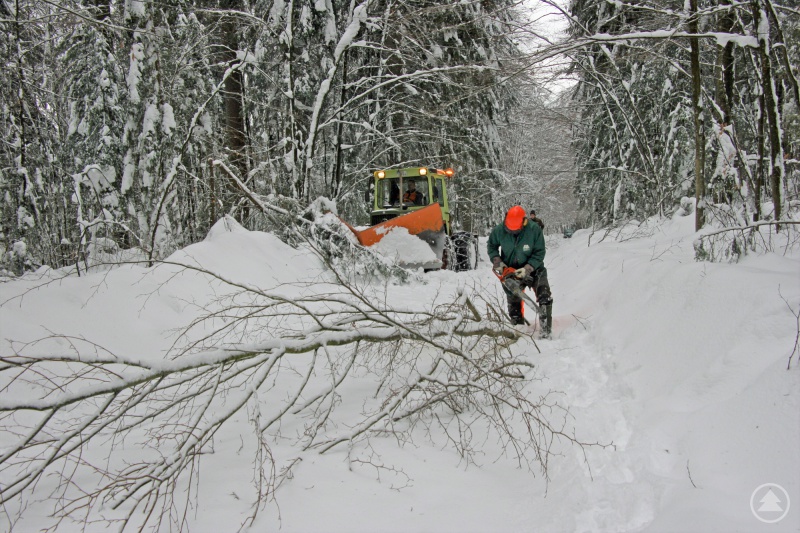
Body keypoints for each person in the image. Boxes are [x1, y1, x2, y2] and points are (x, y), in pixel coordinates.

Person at [487, 205, 553, 336]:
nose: (512, 233)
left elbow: (539, 252)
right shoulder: (499, 230)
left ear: (524, 222)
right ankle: (518, 330)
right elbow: (492, 246)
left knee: (544, 293)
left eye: (515, 231)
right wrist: (499, 264)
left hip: (535, 268)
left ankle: (546, 330)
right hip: (511, 270)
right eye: (510, 230)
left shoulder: (534, 230)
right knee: (514, 299)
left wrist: (528, 268)